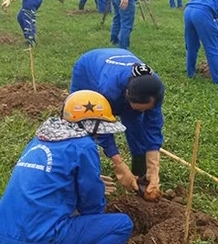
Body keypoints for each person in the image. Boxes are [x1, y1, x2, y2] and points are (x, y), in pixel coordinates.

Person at [0, 90, 134, 244]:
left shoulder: (40, 139)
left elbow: (52, 177)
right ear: (90, 125)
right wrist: (94, 197)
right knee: (123, 224)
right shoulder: (83, 145)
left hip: (3, 239)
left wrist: (83, 183)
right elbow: (91, 206)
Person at [70, 49, 166, 200]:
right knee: (83, 123)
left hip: (121, 74)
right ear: (127, 95)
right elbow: (101, 127)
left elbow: (153, 127)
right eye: (138, 108)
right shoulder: (109, 89)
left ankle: (140, 175)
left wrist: (154, 170)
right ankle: (82, 171)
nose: (142, 112)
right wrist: (119, 165)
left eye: (145, 109)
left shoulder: (153, 90)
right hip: (88, 69)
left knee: (136, 124)